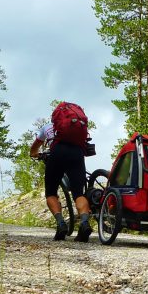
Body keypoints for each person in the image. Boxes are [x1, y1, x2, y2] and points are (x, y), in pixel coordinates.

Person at [30, 104, 93, 242]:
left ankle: (61, 224)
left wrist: (35, 154)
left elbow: (34, 148)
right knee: (79, 193)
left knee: (51, 192)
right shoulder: (77, 127)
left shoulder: (47, 127)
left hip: (57, 152)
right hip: (77, 153)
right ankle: (84, 223)